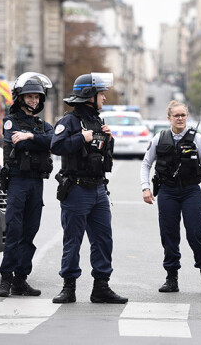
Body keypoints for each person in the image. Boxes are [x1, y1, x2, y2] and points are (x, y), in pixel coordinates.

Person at [50, 73, 127, 304]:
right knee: (73, 240)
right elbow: (56, 146)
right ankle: (68, 287)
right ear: (89, 96)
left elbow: (102, 155)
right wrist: (80, 139)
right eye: (101, 93)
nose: (104, 97)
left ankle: (101, 287)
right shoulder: (69, 122)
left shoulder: (98, 121)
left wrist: (108, 139)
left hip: (99, 190)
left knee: (103, 239)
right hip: (77, 189)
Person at [140, 100, 201, 294]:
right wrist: (145, 188)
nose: (180, 119)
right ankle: (171, 278)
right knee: (169, 235)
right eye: (176, 115)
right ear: (169, 118)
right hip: (167, 191)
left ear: (187, 117)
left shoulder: (197, 139)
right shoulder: (160, 138)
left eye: (183, 115)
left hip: (191, 191)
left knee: (196, 233)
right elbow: (146, 164)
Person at [0, 72, 54, 297]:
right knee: (13, 230)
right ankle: (5, 279)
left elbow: (54, 142)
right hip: (18, 181)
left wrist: (30, 138)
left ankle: (20, 280)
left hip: (36, 182)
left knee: (29, 232)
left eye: (37, 97)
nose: (33, 101)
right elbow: (15, 142)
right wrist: (37, 141)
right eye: (29, 97)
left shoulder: (43, 124)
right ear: (20, 98)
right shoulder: (11, 121)